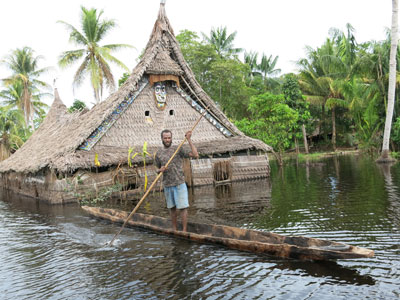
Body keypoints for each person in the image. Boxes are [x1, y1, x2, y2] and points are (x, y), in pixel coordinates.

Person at [155, 129, 199, 232]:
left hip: (179, 183)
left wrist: (189, 140)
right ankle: (174, 229)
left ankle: (184, 230)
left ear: (171, 138)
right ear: (162, 139)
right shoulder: (159, 153)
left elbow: (195, 154)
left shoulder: (178, 149)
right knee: (172, 208)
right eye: (165, 138)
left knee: (183, 208)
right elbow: (156, 169)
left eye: (169, 138)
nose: (167, 140)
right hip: (167, 184)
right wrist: (160, 170)